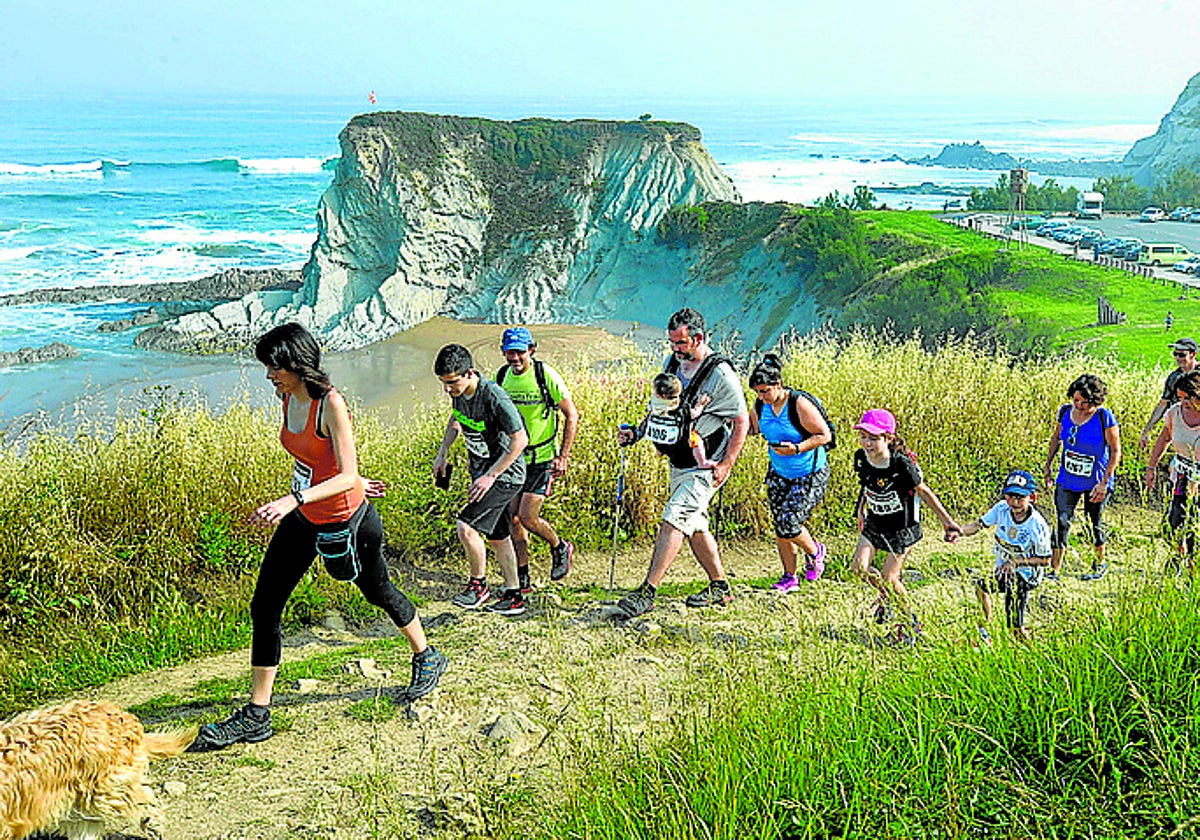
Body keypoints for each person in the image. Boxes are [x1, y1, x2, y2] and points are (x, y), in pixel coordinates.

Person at [192, 323, 446, 751]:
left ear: (295, 363)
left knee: (378, 590)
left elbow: (345, 473)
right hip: (306, 517)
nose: (269, 375)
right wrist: (326, 490)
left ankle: (426, 655)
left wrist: (298, 499)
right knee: (265, 603)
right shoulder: (287, 396)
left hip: (347, 521)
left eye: (274, 366)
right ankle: (257, 713)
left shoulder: (331, 403)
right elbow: (324, 464)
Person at [615, 307, 749, 616]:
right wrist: (637, 433)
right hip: (679, 461)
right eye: (672, 342)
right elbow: (664, 408)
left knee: (674, 518)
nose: (675, 349)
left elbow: (741, 420)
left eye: (681, 343)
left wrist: (727, 464)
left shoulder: (720, 374)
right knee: (696, 525)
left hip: (706, 464)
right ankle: (720, 588)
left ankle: (647, 592)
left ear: (698, 338)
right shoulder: (673, 363)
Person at [851, 409, 961, 646]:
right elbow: (865, 485)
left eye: (873, 437)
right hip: (875, 523)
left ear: (888, 438)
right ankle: (888, 598)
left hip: (903, 527)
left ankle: (909, 622)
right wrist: (860, 509)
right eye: (863, 436)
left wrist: (947, 522)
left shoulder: (901, 464)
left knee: (890, 578)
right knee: (859, 568)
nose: (867, 443)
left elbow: (924, 492)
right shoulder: (861, 458)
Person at [433, 343, 530, 616]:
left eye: (452, 382)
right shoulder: (460, 394)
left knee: (466, 526)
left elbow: (520, 439)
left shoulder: (494, 397)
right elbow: (456, 420)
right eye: (443, 383)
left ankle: (479, 586)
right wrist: (442, 454)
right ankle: (514, 595)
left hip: (504, 476)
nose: (447, 389)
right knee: (499, 536)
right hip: (483, 474)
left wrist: (490, 476)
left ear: (470, 373)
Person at [495, 327, 579, 593]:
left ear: (531, 350)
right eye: (510, 352)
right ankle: (523, 576)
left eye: (520, 352)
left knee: (528, 517)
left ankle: (560, 546)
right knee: (514, 520)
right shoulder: (502, 377)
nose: (515, 358)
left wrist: (563, 456)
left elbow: (572, 415)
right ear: (504, 352)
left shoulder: (545, 375)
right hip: (515, 458)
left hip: (542, 458)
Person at [747, 353, 832, 592]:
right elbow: (754, 429)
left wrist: (796, 448)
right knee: (780, 526)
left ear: (778, 385)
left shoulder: (798, 404)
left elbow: (824, 435)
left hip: (808, 472)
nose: (762, 397)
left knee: (789, 523)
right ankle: (789, 576)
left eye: (765, 391)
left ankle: (816, 552)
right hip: (779, 471)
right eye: (758, 392)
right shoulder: (759, 406)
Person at [957, 470, 1052, 643]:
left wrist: (1015, 562)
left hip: (1026, 575)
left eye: (1020, 497)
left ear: (1032, 497)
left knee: (1014, 627)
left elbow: (1045, 559)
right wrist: (959, 532)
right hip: (1005, 570)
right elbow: (979, 524)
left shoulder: (1037, 526)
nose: (1014, 502)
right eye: (1010, 496)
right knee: (981, 587)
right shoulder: (1001, 509)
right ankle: (985, 628)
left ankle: (1034, 654)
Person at [1044, 374, 1120, 580]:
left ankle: (1099, 563)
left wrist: (1104, 483)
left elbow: (1115, 451)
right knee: (1062, 520)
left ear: (1095, 401)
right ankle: (1054, 568)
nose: (1078, 405)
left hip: (1096, 480)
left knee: (1093, 521)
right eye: (1075, 400)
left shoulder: (1104, 417)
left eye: (1084, 402)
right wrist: (1048, 465)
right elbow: (1056, 438)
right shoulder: (1065, 412)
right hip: (1068, 478)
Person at [1145, 370, 1200, 573]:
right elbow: (1164, 438)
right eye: (1180, 397)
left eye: (1188, 398)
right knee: (1174, 524)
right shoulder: (1175, 413)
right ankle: (1179, 556)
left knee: (1195, 529)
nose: (1183, 402)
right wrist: (1151, 467)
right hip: (1181, 478)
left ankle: (1193, 573)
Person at [629, 372, 719, 469]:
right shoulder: (679, 409)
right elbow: (694, 414)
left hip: (659, 443)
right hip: (676, 444)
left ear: (657, 394)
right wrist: (701, 404)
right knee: (696, 439)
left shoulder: (654, 405)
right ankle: (702, 462)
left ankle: (660, 451)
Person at [1139, 338, 1198, 448]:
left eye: (1182, 355)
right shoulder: (1174, 378)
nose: (1177, 358)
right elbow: (1163, 404)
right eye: (1175, 354)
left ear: (1193, 354)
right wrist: (1146, 430)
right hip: (1183, 424)